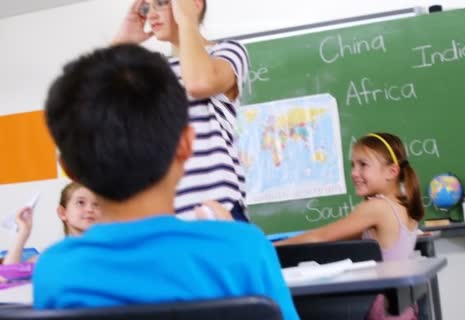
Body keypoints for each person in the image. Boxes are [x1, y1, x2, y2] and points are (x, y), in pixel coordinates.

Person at [33, 44, 298, 320]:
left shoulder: (56, 269)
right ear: (186, 145)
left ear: (69, 170)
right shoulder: (245, 249)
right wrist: (226, 236)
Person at [112, 0, 250, 221]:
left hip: (217, 209)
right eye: (147, 8)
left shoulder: (225, 52)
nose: (151, 15)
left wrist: (187, 19)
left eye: (162, 3)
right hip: (166, 217)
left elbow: (199, 84)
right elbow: (96, 104)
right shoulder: (153, 71)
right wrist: (121, 44)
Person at [276, 132, 424, 319]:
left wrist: (269, 247)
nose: (354, 173)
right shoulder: (403, 206)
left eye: (363, 165)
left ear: (391, 171)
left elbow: (320, 237)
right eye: (353, 165)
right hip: (403, 307)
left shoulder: (377, 207)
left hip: (382, 309)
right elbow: (340, 239)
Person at [2, 182, 101, 265]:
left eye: (96, 204)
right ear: (62, 213)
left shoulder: (108, 253)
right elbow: (7, 276)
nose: (90, 209)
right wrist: (23, 232)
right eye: (81, 202)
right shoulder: (53, 256)